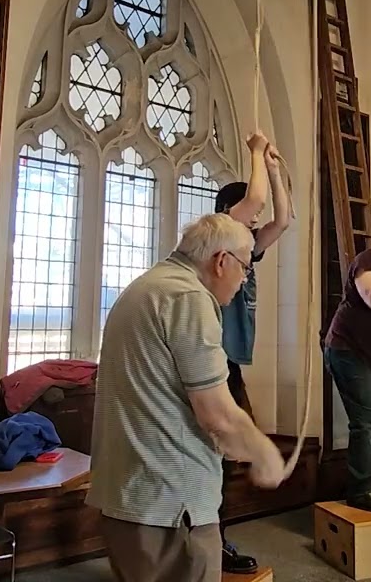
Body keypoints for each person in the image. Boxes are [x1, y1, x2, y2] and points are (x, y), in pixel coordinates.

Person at [88, 213, 286, 582]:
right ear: (221, 261)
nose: (245, 280)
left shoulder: (149, 285)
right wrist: (265, 454)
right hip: (169, 502)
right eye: (245, 268)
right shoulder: (189, 297)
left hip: (131, 495)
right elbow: (216, 413)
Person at [213, 131, 293, 574]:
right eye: (249, 212)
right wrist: (257, 152)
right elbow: (256, 198)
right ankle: (203, 537)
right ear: (230, 214)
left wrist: (276, 170)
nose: (257, 216)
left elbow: (283, 219)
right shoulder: (221, 237)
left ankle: (214, 536)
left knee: (225, 458)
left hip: (231, 363)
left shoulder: (247, 250)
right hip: (211, 361)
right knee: (214, 451)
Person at [323, 210, 371, 513]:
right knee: (366, 420)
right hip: (346, 349)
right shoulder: (369, 260)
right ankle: (359, 492)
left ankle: (369, 486)